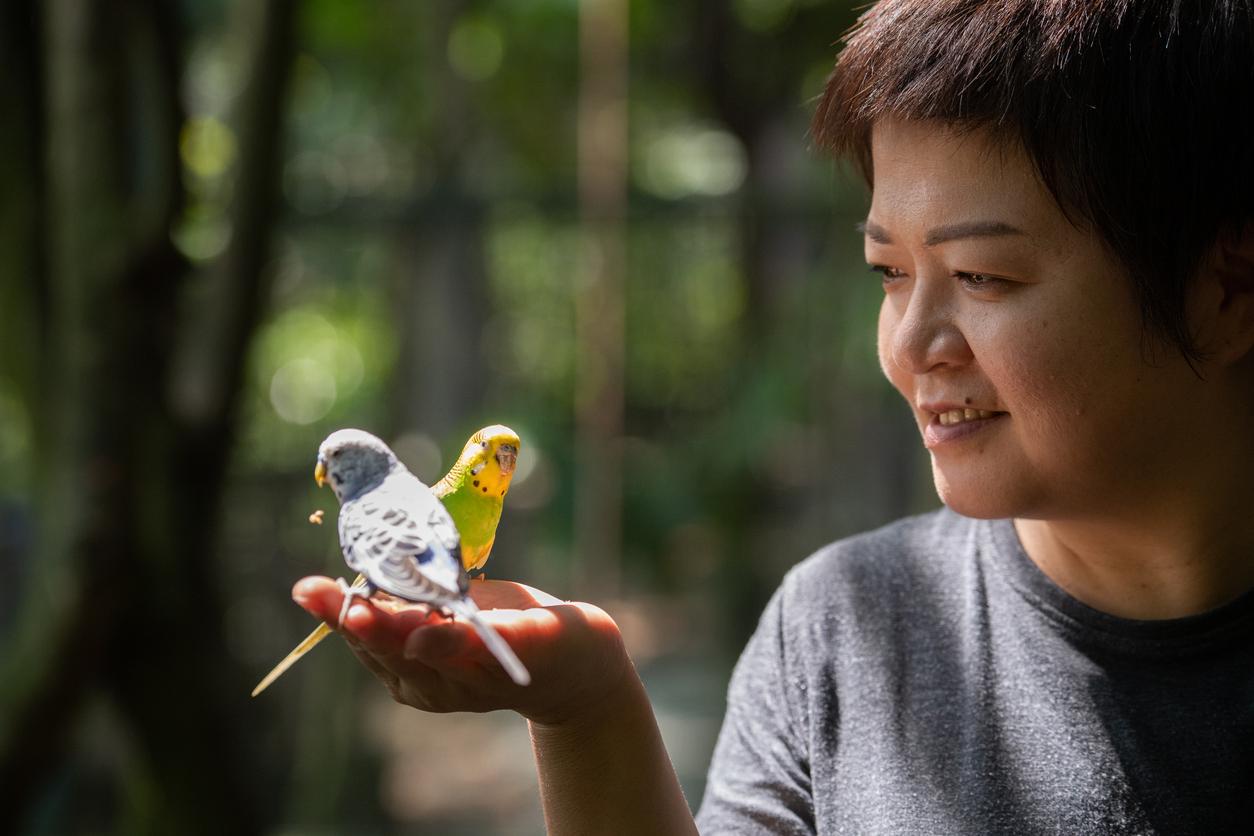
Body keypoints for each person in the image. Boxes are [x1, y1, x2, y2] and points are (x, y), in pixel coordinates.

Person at [292, 0, 1254, 832]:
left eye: (981, 276)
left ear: (1227, 289)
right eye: (889, 273)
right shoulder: (841, 631)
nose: (913, 345)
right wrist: (586, 714)